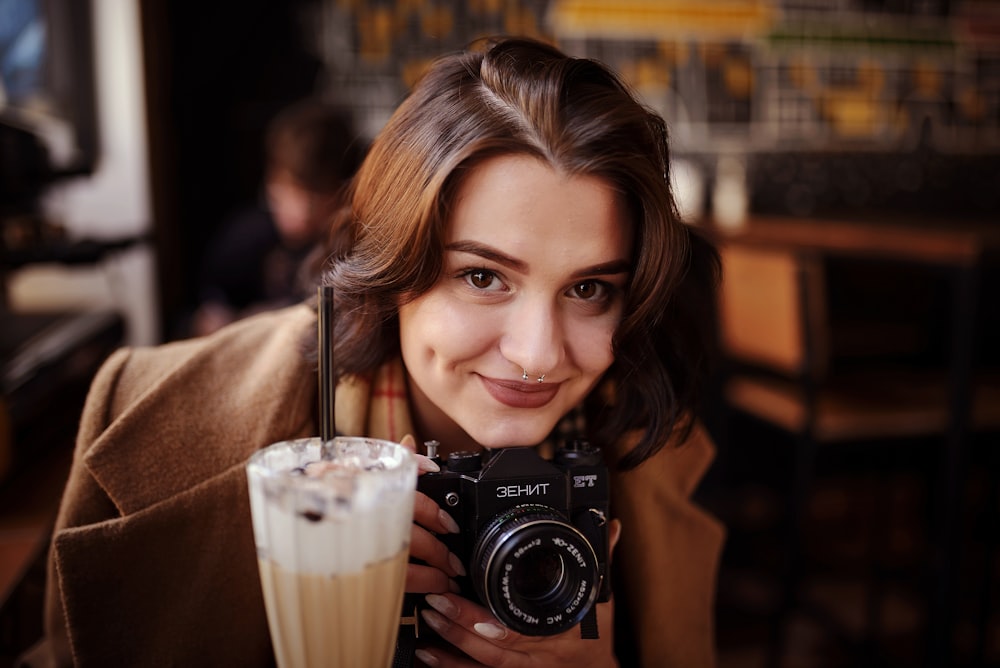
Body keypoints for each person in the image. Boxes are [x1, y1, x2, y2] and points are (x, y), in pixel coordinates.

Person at [20, 37, 724, 667]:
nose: (538, 352)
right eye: (482, 277)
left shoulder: (647, 452)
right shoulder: (144, 411)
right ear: (389, 267)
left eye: (591, 287)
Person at [190, 98, 363, 337]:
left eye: (315, 197)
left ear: (343, 192)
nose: (300, 210)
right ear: (271, 178)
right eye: (287, 190)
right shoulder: (244, 237)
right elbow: (209, 305)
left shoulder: (350, 247)